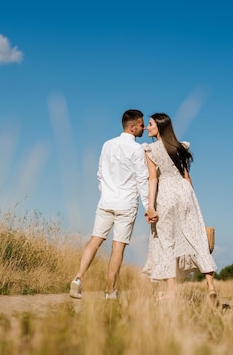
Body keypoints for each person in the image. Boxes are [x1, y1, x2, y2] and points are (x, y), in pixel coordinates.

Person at [69, 109, 151, 300]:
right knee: (118, 247)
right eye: (141, 125)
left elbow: (100, 173)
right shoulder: (137, 149)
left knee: (95, 240)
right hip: (126, 204)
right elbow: (142, 179)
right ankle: (110, 291)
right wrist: (148, 207)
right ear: (132, 127)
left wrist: (105, 191)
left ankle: (78, 278)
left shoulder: (107, 145)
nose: (144, 127)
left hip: (106, 201)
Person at [142, 113, 218, 302]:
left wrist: (150, 207)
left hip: (166, 192)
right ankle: (210, 286)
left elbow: (153, 179)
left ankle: (172, 293)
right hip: (185, 192)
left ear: (159, 126)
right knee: (197, 237)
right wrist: (191, 201)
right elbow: (187, 177)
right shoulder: (181, 147)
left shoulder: (150, 150)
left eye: (150, 124)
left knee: (166, 242)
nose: (147, 127)